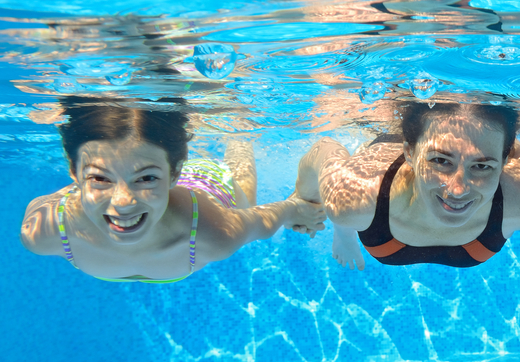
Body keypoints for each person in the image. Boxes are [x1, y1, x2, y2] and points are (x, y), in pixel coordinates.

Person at [20, 97, 326, 282]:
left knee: (244, 191)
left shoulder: (212, 233)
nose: (123, 202)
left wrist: (295, 208)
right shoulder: (43, 232)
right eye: (100, 178)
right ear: (74, 173)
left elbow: (260, 222)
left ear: (175, 173)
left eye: (145, 179)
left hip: (209, 187)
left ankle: (238, 127)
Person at [295, 101, 520, 270]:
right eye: (441, 161)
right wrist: (304, 197)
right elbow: (324, 148)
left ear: (504, 161)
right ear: (409, 153)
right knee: (346, 215)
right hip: (388, 148)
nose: (458, 190)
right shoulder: (356, 196)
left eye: (482, 166)